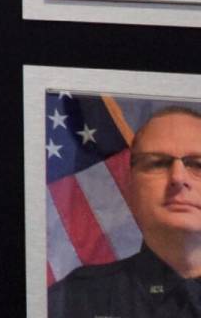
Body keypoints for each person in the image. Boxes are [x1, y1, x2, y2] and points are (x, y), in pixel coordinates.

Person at [49, 105, 201, 315]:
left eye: (198, 165)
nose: (178, 177)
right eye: (158, 163)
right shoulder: (71, 300)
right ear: (129, 186)